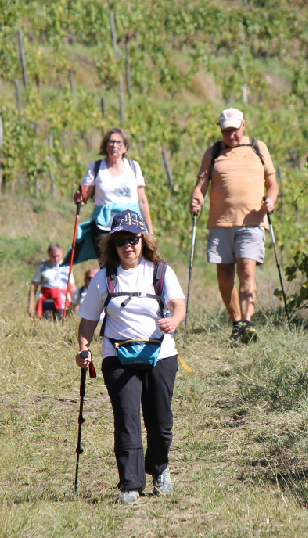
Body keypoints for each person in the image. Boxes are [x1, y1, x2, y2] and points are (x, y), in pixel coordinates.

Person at [75, 209, 186, 505]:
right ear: (113, 244)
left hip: (160, 353)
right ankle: (130, 485)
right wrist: (84, 348)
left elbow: (177, 304)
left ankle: (159, 468)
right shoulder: (104, 278)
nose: (128, 246)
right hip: (118, 355)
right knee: (126, 418)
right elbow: (87, 321)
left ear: (143, 240)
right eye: (122, 240)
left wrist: (173, 321)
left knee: (160, 422)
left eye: (133, 239)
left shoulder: (160, 271)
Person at [189, 108, 279, 344]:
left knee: (247, 271)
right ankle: (236, 323)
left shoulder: (258, 148)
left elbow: (273, 184)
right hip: (221, 222)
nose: (231, 135)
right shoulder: (214, 151)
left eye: (234, 129)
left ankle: (247, 323)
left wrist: (272, 199)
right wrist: (196, 198)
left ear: (243, 126)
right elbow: (201, 184)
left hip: (253, 221)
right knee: (224, 277)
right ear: (221, 129)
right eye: (226, 130)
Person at [72, 127, 154, 264]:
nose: (114, 146)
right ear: (105, 145)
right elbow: (85, 195)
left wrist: (149, 230)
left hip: (131, 223)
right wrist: (79, 197)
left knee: (133, 264)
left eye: (118, 143)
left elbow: (143, 200)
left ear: (125, 147)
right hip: (104, 225)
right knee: (107, 265)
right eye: (110, 142)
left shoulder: (133, 167)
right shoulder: (96, 167)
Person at [28, 243, 76, 320]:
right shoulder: (42, 266)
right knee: (46, 323)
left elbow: (71, 286)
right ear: (49, 254)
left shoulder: (67, 267)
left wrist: (76, 303)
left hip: (62, 301)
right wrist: (30, 304)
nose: (56, 259)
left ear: (62, 253)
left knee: (62, 324)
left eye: (58, 256)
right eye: (53, 256)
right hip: (46, 301)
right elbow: (34, 285)